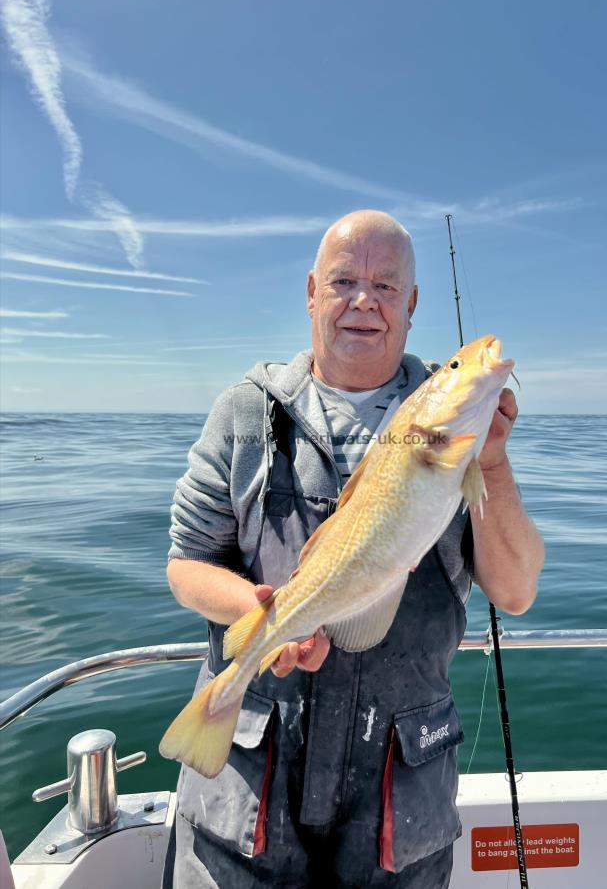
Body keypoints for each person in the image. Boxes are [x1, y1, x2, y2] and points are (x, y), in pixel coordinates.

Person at [162, 210, 544, 888]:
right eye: (343, 281)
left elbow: (514, 592)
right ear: (311, 292)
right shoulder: (245, 413)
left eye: (385, 285)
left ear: (412, 303)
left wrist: (488, 464)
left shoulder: (450, 433)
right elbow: (186, 564)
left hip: (397, 798)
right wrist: (266, 618)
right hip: (248, 789)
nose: (363, 300)